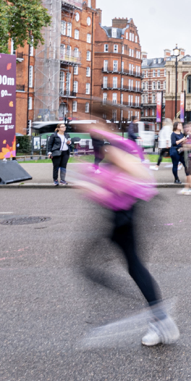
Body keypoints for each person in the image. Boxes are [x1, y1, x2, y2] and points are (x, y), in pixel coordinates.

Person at [76, 127, 178, 348]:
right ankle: (157, 314)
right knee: (123, 265)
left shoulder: (113, 145)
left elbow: (139, 175)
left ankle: (156, 314)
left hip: (123, 214)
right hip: (119, 213)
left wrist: (95, 185)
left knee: (97, 265)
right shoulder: (113, 143)